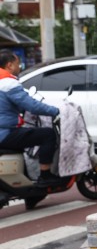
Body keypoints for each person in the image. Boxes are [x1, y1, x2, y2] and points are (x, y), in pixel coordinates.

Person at [0, 50, 61, 187]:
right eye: (18, 64)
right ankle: (45, 175)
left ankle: (30, 191)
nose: (19, 67)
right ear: (9, 65)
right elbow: (31, 105)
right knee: (48, 134)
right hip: (5, 133)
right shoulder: (7, 83)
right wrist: (55, 111)